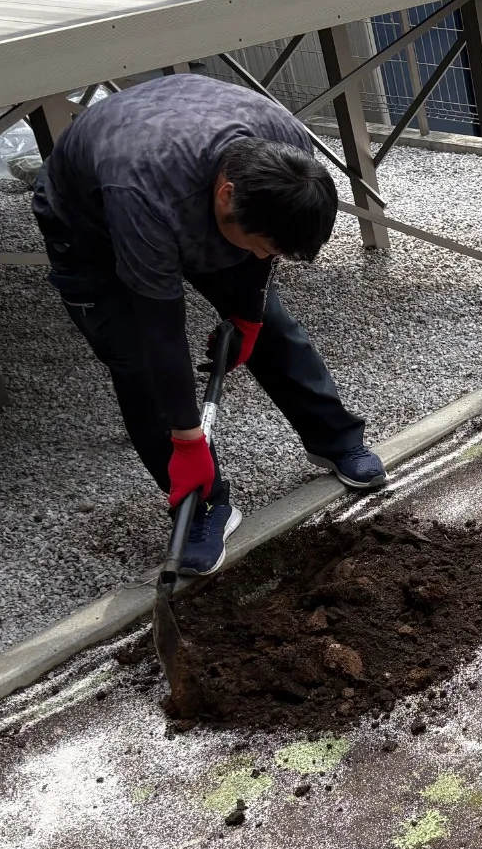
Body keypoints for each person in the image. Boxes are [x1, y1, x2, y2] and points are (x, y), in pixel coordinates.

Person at [32, 72, 388, 576]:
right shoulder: (142, 192)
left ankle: (336, 439)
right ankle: (202, 506)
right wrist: (187, 438)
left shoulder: (287, 152)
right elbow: (161, 329)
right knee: (139, 365)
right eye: (263, 243)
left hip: (184, 178)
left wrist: (247, 315)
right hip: (92, 229)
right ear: (226, 195)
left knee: (272, 324)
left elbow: (263, 256)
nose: (267, 254)